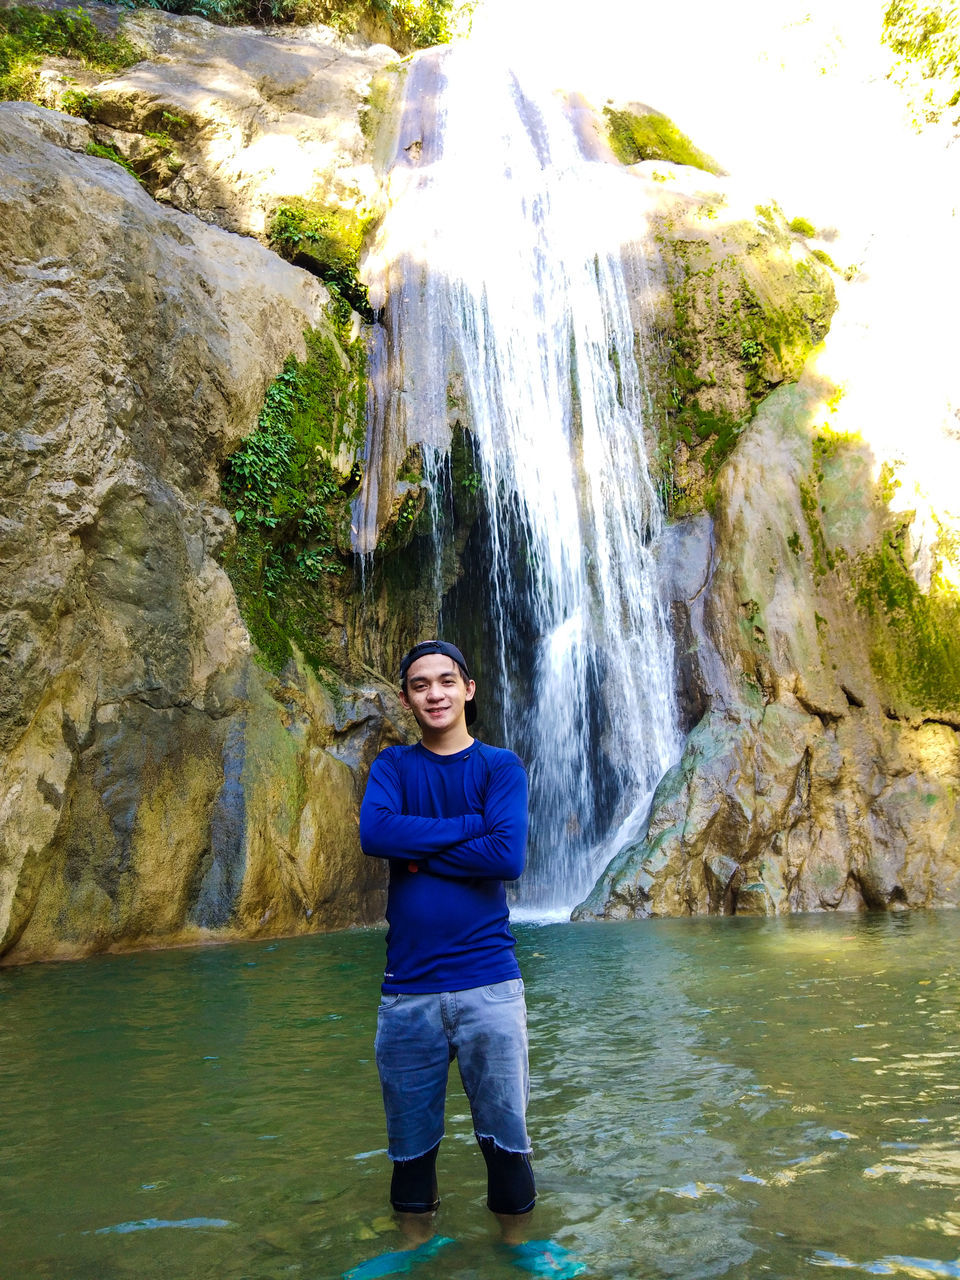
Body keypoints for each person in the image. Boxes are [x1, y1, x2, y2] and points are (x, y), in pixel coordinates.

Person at [358, 640, 536, 1236]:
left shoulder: (501, 767)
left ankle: (516, 1250)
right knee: (410, 1150)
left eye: (444, 681)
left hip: (490, 983)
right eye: (419, 685)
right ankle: (415, 1252)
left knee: (506, 1142)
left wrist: (419, 852)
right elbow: (376, 833)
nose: (433, 693)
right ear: (408, 699)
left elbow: (506, 854)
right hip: (408, 990)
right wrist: (467, 828)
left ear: (468, 690)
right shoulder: (391, 768)